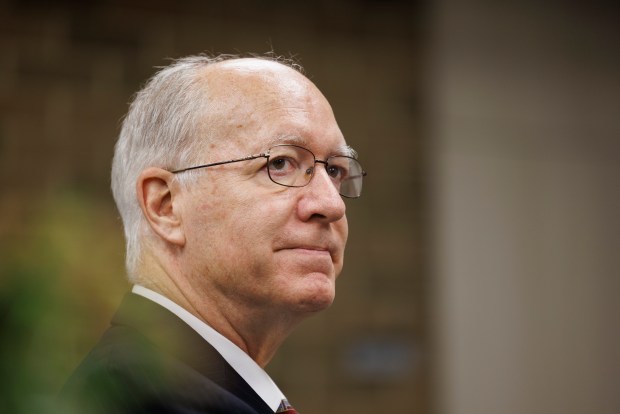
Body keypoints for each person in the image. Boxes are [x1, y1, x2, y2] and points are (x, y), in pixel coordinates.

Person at [60, 53, 366, 414]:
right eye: (280, 164)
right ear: (166, 205)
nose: (332, 205)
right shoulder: (146, 401)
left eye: (333, 169)